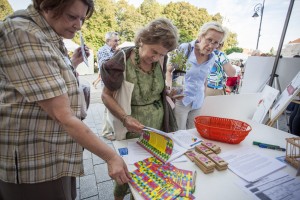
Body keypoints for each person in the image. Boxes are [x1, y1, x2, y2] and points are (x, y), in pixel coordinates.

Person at [0, 1, 130, 199]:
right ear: (47, 5)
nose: (78, 25)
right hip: (35, 161)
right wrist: (111, 156)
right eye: (72, 16)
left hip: (55, 153)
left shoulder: (47, 32)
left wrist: (73, 62)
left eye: (82, 18)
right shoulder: (22, 32)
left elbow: (44, 80)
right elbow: (62, 115)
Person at [101, 18, 179, 200]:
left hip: (156, 126)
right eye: (154, 51)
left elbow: (157, 89)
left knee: (150, 170)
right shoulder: (121, 60)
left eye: (161, 54)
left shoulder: (160, 60)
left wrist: (168, 93)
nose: (156, 58)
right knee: (125, 173)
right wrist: (125, 118)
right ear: (143, 39)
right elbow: (105, 96)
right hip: (130, 127)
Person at [167, 21, 227, 130]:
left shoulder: (213, 57)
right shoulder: (185, 48)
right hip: (182, 100)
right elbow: (169, 70)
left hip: (198, 102)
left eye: (216, 42)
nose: (211, 45)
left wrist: (203, 97)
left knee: (193, 134)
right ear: (201, 36)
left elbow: (204, 80)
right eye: (209, 40)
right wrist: (175, 91)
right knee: (178, 132)